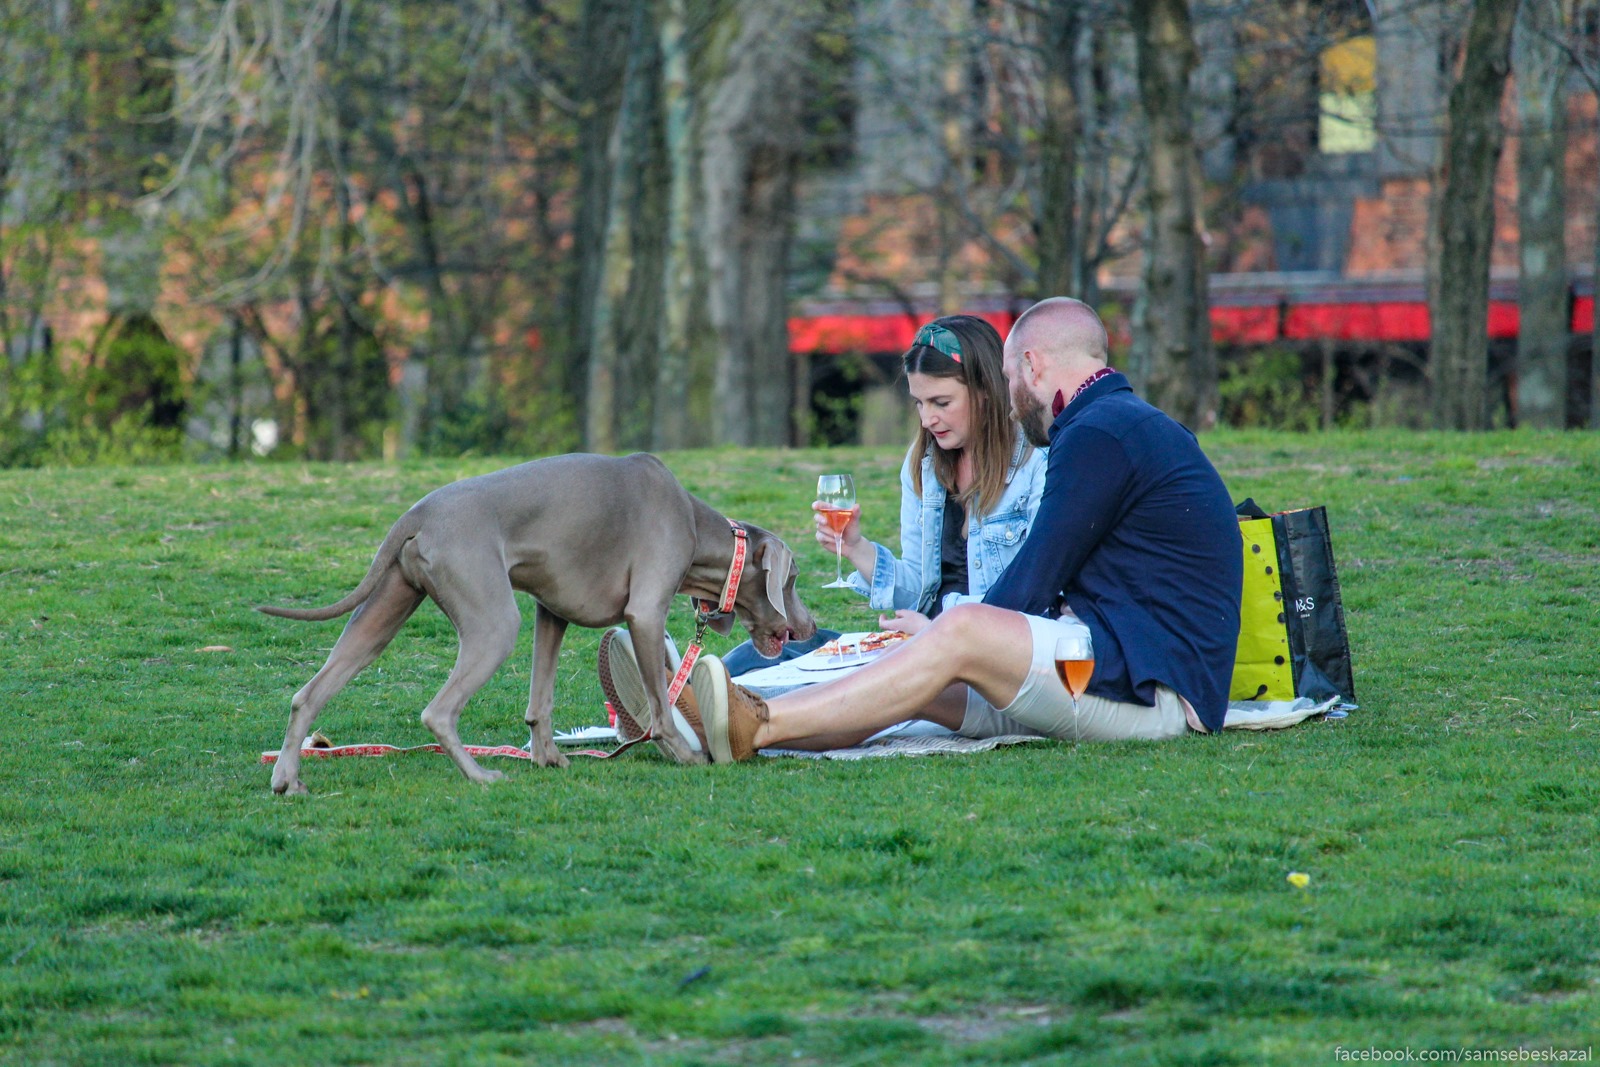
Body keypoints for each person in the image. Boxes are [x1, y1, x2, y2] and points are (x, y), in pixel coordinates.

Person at [602, 297, 1243, 764]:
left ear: (1031, 364)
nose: (1015, 395)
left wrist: (944, 636)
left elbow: (1034, 576)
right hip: (1121, 666)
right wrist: (925, 638)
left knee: (953, 636)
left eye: (1013, 380)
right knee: (910, 682)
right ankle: (717, 730)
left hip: (1157, 693)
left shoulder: (1097, 435)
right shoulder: (1119, 426)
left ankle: (751, 722)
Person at [716, 314, 1049, 679]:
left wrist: (937, 631)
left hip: (983, 658)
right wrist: (856, 546)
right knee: (770, 653)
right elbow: (918, 588)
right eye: (919, 404)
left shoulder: (1037, 464)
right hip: (919, 643)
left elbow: (1034, 603)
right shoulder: (923, 464)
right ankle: (680, 699)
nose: (927, 420)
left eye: (941, 402)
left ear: (985, 390)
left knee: (822, 686)